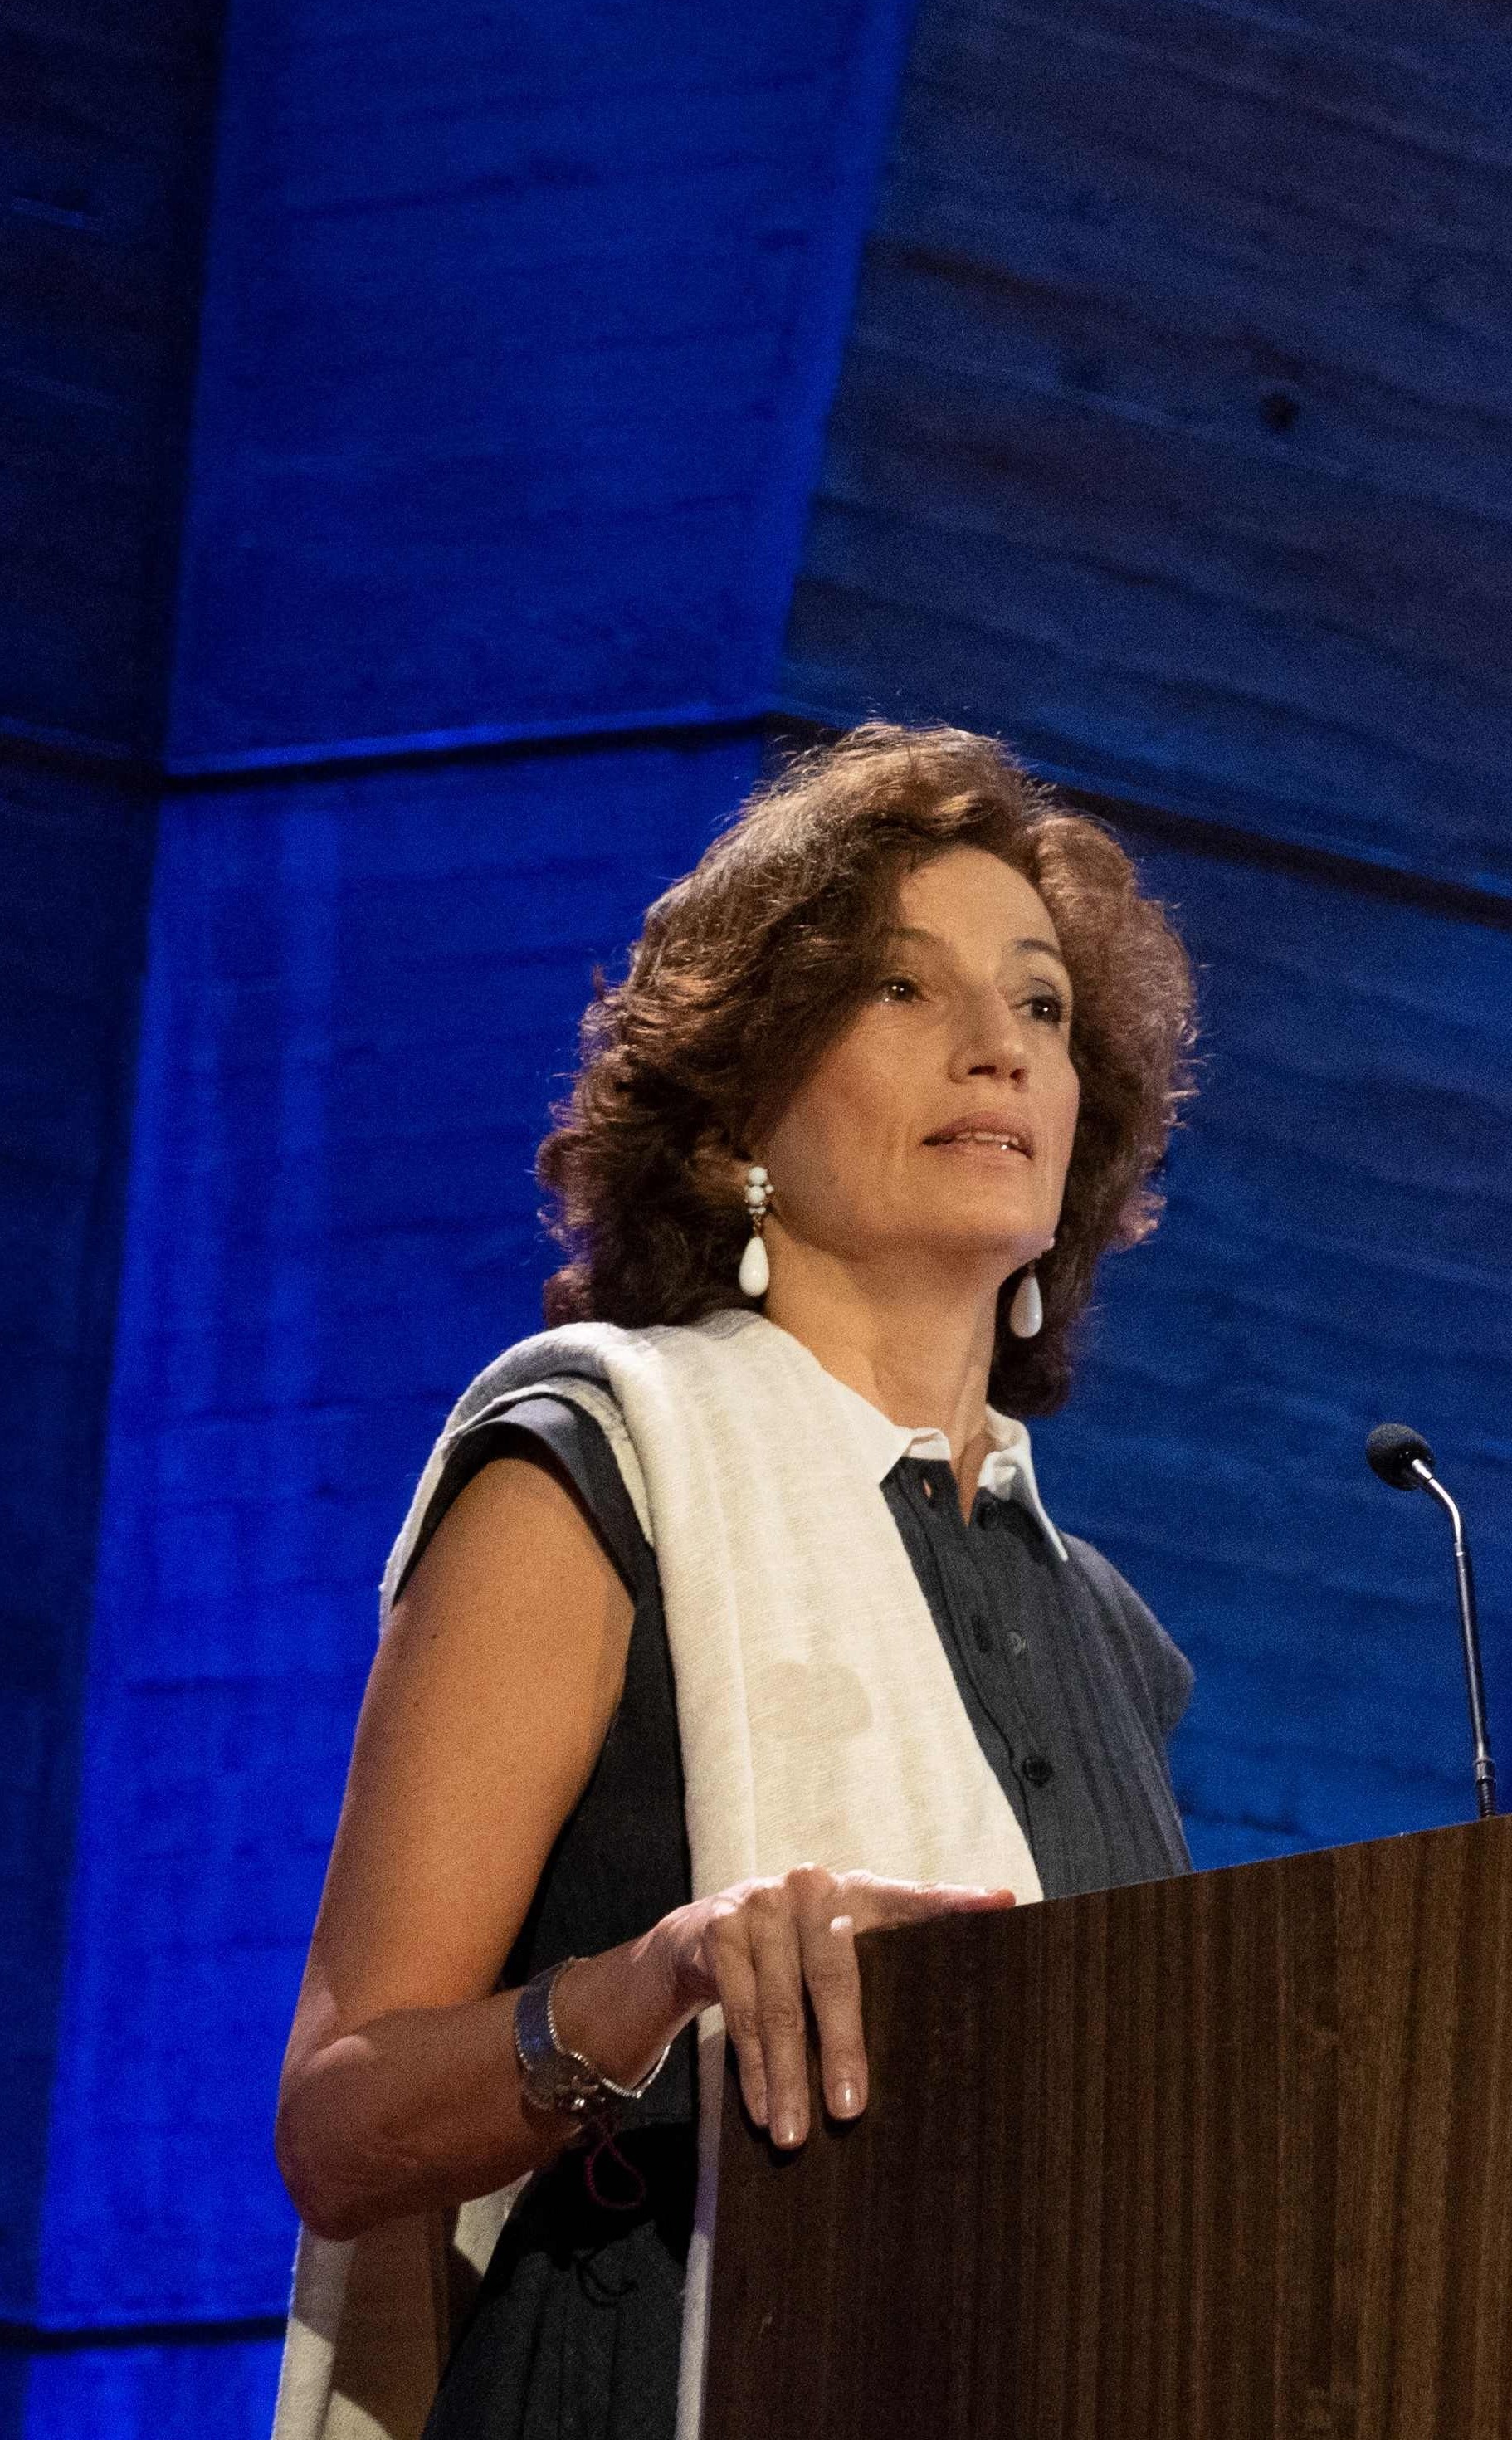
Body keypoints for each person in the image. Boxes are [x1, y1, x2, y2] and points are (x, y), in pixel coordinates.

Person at [265, 726, 1205, 2440]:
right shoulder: (595, 1471)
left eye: (1044, 1006)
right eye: (903, 995)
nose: (997, 1046)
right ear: (736, 1123)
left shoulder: (1109, 1637)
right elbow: (339, 2123)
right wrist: (660, 1984)